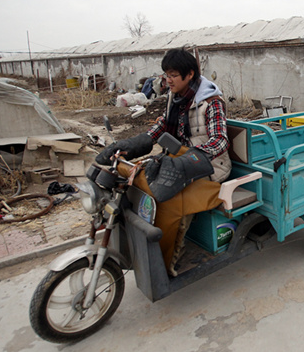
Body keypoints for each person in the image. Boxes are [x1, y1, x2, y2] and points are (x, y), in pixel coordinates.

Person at [96, 47, 231, 276]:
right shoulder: (175, 97)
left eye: (172, 75)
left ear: (190, 74)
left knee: (172, 204)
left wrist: (191, 158)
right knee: (138, 184)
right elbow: (161, 127)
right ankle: (145, 249)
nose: (167, 81)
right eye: (165, 75)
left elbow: (220, 141)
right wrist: (134, 144)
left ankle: (169, 262)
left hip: (210, 166)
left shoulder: (211, 102)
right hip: (178, 160)